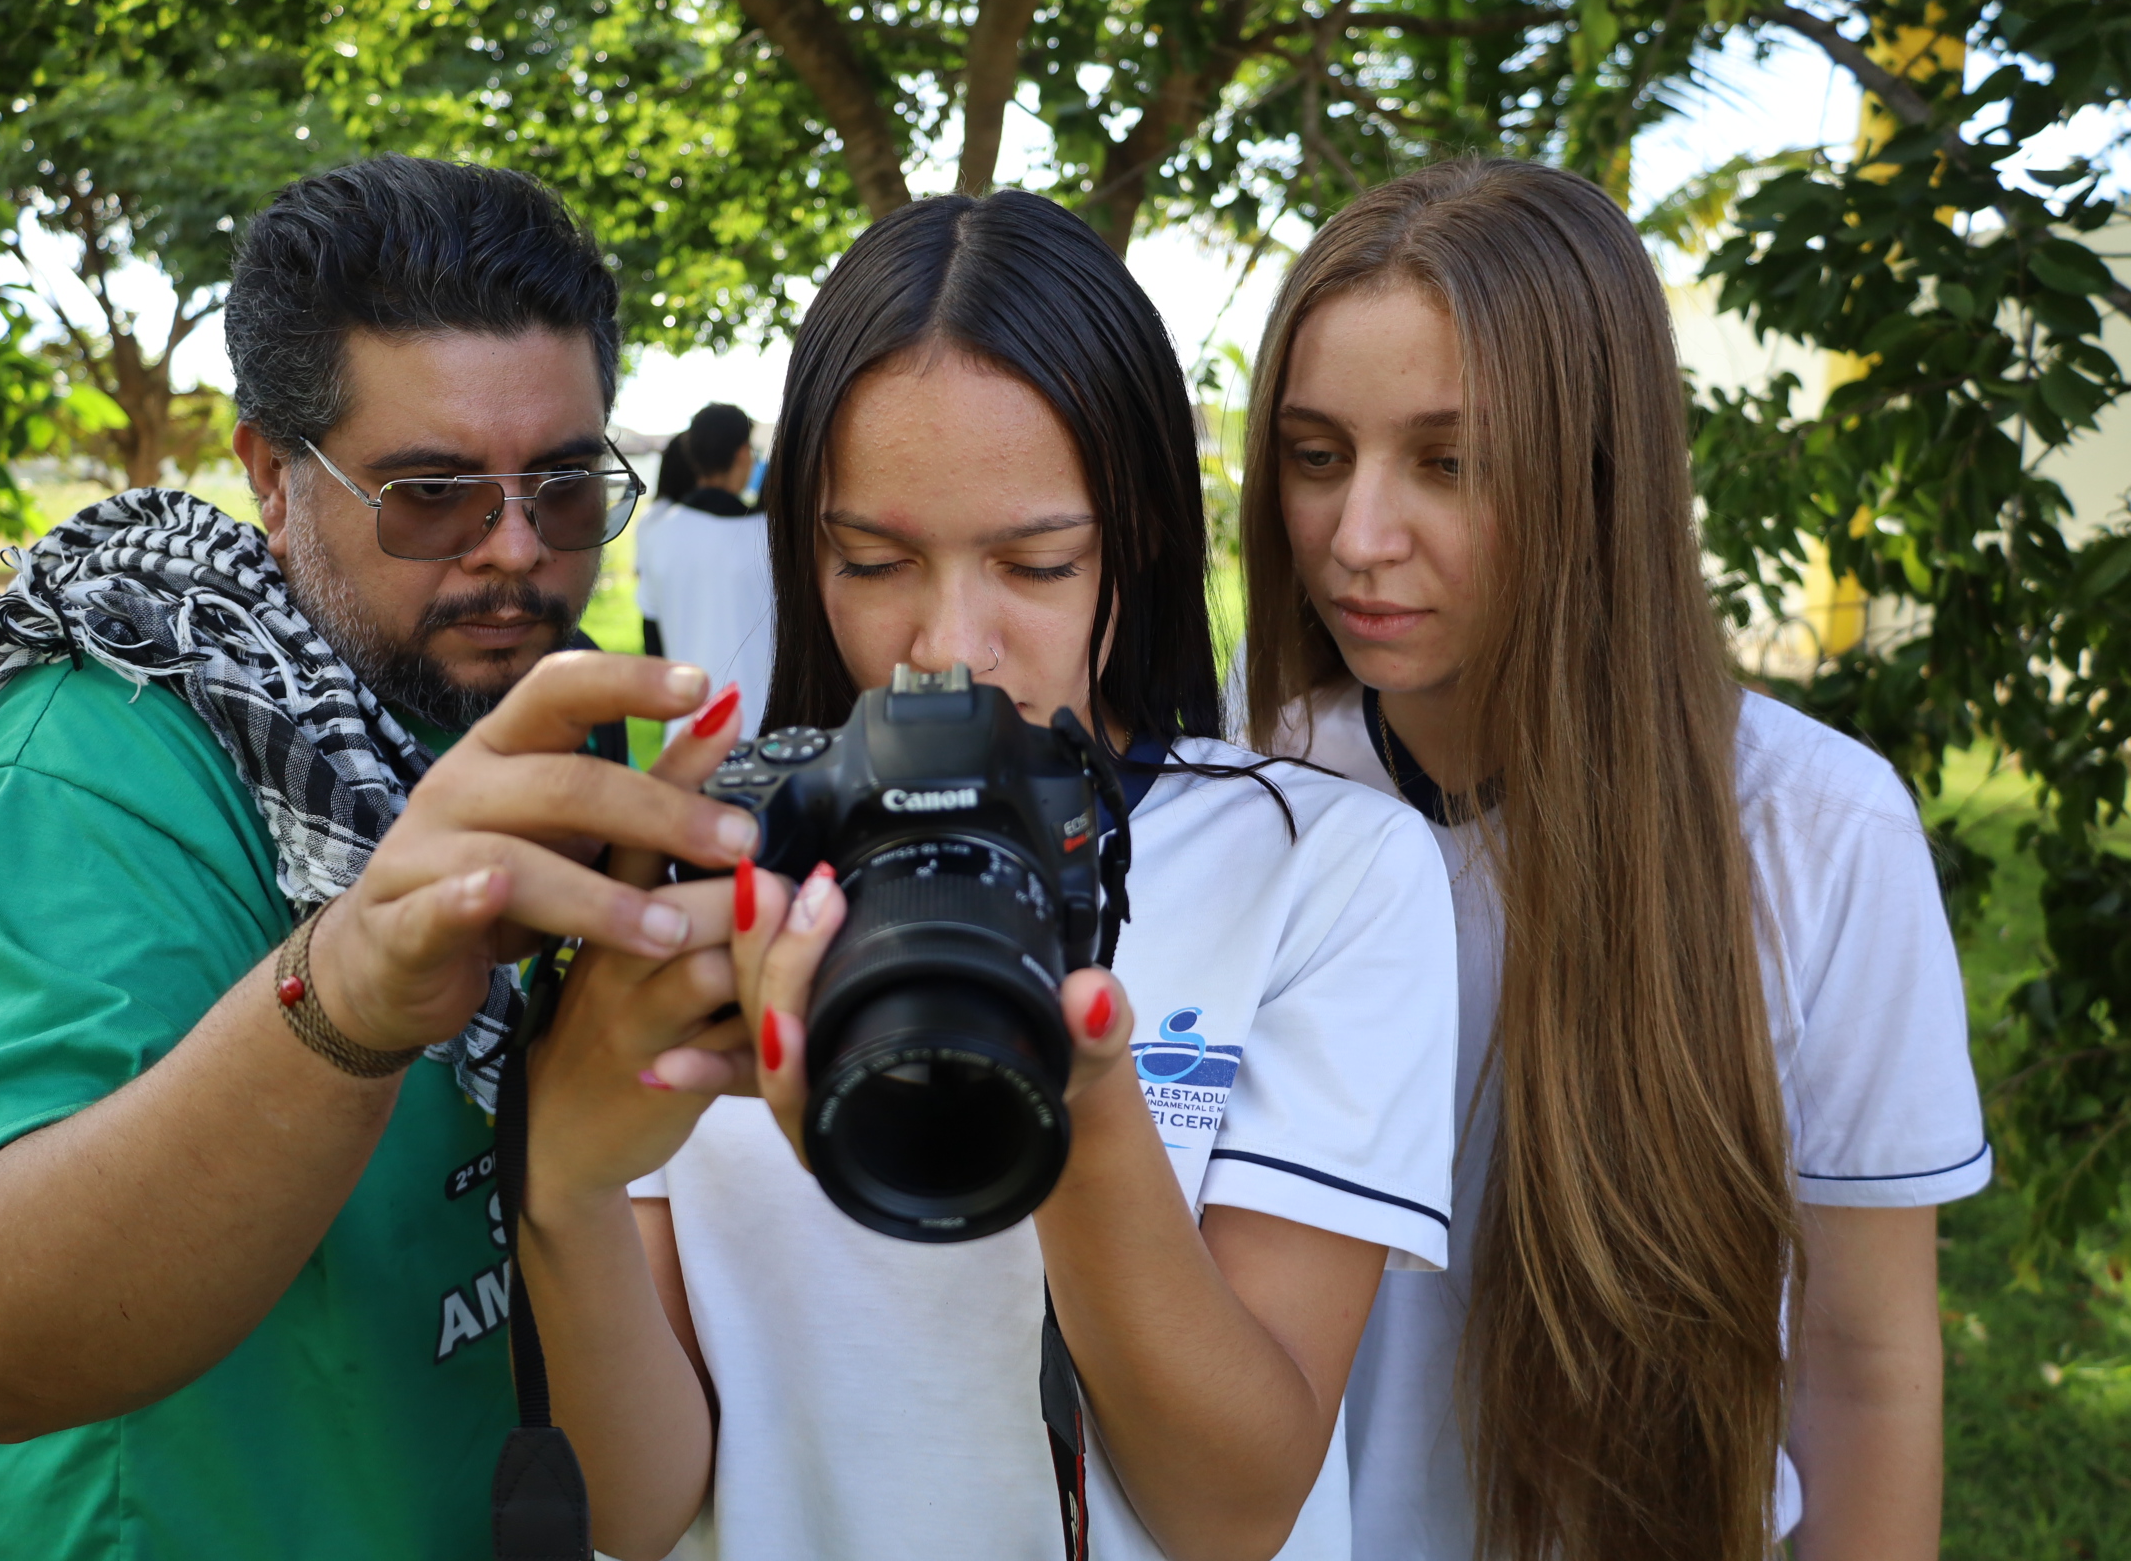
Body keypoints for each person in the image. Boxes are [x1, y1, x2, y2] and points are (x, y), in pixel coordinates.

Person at [506, 189, 1462, 1561]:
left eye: (1037, 561)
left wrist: (1073, 1090)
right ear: (806, 547)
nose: (948, 645)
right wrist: (568, 1189)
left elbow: (1234, 1509)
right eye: (875, 561)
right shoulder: (717, 855)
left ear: (1132, 539)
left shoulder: (1321, 870)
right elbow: (643, 1504)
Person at [0, 155, 763, 1560]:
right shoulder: (90, 765)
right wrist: (346, 997)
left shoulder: (534, 707)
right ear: (274, 474)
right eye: (432, 492)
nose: (517, 556)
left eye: (566, 487)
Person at [1234, 157, 1990, 1561]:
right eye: (1317, 455)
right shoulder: (1233, 783)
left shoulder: (1820, 831)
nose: (1358, 538)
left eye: (1450, 462)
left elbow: (1868, 1365)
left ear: (1599, 469)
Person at [637, 402, 773, 739]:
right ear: (743, 453)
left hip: (685, 736)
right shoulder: (772, 536)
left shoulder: (656, 532)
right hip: (762, 737)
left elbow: (653, 645)